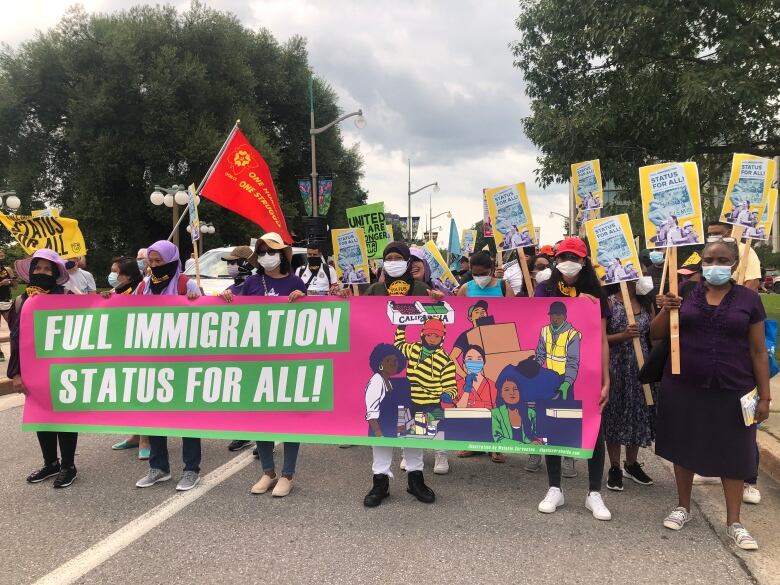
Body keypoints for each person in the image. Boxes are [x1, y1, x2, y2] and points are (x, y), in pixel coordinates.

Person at [652, 237, 769, 550]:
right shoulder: (686, 293)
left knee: (735, 451)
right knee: (684, 444)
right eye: (708, 260)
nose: (713, 265)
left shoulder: (748, 300)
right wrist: (666, 308)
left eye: (720, 260)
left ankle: (734, 522)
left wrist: (766, 397)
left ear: (734, 264)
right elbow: (657, 334)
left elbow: (759, 351)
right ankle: (683, 506)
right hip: (685, 384)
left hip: (734, 386)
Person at [221, 232, 307, 497]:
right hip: (257, 361)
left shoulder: (296, 282)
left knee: (290, 418)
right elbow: (225, 299)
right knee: (261, 417)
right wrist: (218, 295)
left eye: (270, 251)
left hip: (288, 361)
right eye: (261, 252)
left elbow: (318, 311)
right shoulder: (252, 282)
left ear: (282, 255)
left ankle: (288, 475)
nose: (265, 257)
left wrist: (303, 298)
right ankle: (268, 472)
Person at [533, 237, 612, 521]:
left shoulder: (596, 293)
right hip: (551, 375)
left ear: (584, 260)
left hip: (585, 373)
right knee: (551, 426)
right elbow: (531, 320)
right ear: (556, 259)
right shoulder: (544, 289)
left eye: (575, 257)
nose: (569, 261)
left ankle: (594, 493)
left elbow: (602, 339)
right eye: (563, 256)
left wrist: (606, 379)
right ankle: (555, 488)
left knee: (594, 429)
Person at [363, 241, 439, 505]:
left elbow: (439, 320)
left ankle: (415, 478)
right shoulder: (373, 290)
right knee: (382, 423)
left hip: (415, 369)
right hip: (384, 367)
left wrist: (439, 300)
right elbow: (358, 319)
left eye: (398, 257)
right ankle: (379, 480)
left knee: (414, 423)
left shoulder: (422, 289)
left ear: (408, 262)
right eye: (388, 258)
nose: (393, 261)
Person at [134, 240, 202, 492]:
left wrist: (196, 300)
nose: (153, 265)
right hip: (152, 361)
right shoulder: (144, 286)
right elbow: (126, 312)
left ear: (171, 260)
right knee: (154, 415)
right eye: (150, 261)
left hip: (183, 361)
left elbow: (204, 317)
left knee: (187, 416)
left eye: (158, 261)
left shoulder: (186, 284)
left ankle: (191, 469)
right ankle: (158, 468)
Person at [10, 250, 78, 488]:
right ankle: (51, 463)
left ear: (56, 273)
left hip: (63, 370)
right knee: (42, 418)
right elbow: (16, 339)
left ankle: (69, 466)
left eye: (47, 269)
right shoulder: (21, 302)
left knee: (65, 418)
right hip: (34, 372)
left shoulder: (68, 298)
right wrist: (15, 373)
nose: (41, 272)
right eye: (37, 268)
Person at [603, 277, 657, 491]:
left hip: (640, 368)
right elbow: (599, 337)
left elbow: (654, 334)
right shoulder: (608, 302)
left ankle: (632, 463)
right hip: (616, 366)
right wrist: (622, 336)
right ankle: (614, 466)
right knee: (614, 414)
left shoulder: (646, 304)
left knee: (637, 414)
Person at [363, 343, 408, 507]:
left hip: (394, 427)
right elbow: (371, 413)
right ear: (380, 363)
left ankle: (415, 483)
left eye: (396, 361)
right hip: (379, 429)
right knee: (381, 457)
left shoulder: (390, 380)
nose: (393, 363)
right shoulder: (376, 382)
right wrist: (379, 434)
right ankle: (380, 486)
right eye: (389, 360)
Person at [707, 221, 761, 291]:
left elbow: (753, 282)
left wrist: (737, 300)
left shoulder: (745, 251)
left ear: (729, 232)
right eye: (710, 234)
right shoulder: (709, 252)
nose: (712, 237)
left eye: (717, 233)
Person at [0, 248, 16, 361]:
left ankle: (16, 349)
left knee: (14, 325)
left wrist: (13, 279)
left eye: (2, 252)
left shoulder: (7, 269)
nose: (1, 253)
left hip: (5, 301)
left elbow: (15, 287)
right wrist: (1, 283)